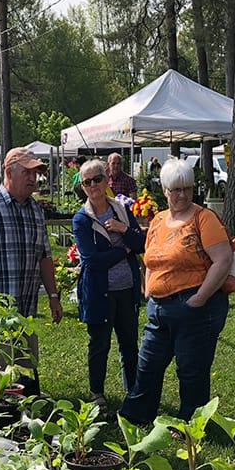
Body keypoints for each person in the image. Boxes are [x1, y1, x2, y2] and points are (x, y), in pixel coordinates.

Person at [119, 157, 232, 426]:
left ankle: (191, 423)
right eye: (176, 189)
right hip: (158, 307)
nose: (182, 195)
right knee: (148, 364)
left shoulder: (204, 219)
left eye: (187, 189)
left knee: (191, 370)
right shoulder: (157, 220)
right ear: (165, 191)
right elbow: (150, 255)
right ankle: (136, 415)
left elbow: (223, 260)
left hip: (194, 307)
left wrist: (200, 297)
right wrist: (148, 287)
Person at [0, 147, 63, 393]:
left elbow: (45, 256)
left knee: (26, 382)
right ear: (8, 171)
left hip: (26, 313)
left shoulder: (35, 209)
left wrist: (53, 296)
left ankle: (27, 420)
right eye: (27, 172)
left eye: (36, 173)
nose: (33, 179)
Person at [71, 159, 145, 410]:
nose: (93, 185)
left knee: (128, 343)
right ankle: (97, 393)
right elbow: (92, 261)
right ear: (82, 186)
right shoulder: (82, 219)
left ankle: (133, 391)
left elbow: (141, 243)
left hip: (126, 289)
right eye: (87, 182)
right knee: (99, 344)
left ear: (106, 180)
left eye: (97, 179)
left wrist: (123, 230)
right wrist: (123, 250)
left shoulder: (122, 209)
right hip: (98, 292)